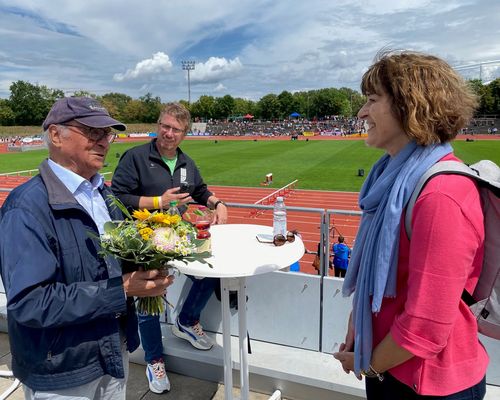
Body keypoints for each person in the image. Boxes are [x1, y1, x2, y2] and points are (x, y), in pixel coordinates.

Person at [333, 51, 488, 399]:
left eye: (372, 100)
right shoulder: (389, 178)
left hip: (429, 383)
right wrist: (358, 333)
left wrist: (369, 364)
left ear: (409, 106)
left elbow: (426, 325)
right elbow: (378, 282)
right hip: (389, 367)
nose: (361, 113)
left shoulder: (442, 195)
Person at [0, 97, 173, 399]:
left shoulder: (103, 195)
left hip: (113, 353)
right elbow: (30, 302)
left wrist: (150, 266)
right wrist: (122, 290)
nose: (103, 141)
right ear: (55, 135)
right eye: (92, 132)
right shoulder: (26, 207)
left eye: (107, 134)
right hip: (60, 371)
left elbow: (112, 265)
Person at [111, 102, 228, 394]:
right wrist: (156, 202)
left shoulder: (186, 162)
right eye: (164, 125)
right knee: (150, 298)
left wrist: (217, 203)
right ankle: (154, 360)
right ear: (157, 125)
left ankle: (186, 320)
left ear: (184, 133)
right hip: (146, 242)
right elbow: (117, 197)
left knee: (211, 270)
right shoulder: (135, 157)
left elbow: (198, 190)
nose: (168, 133)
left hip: (178, 236)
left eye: (176, 129)